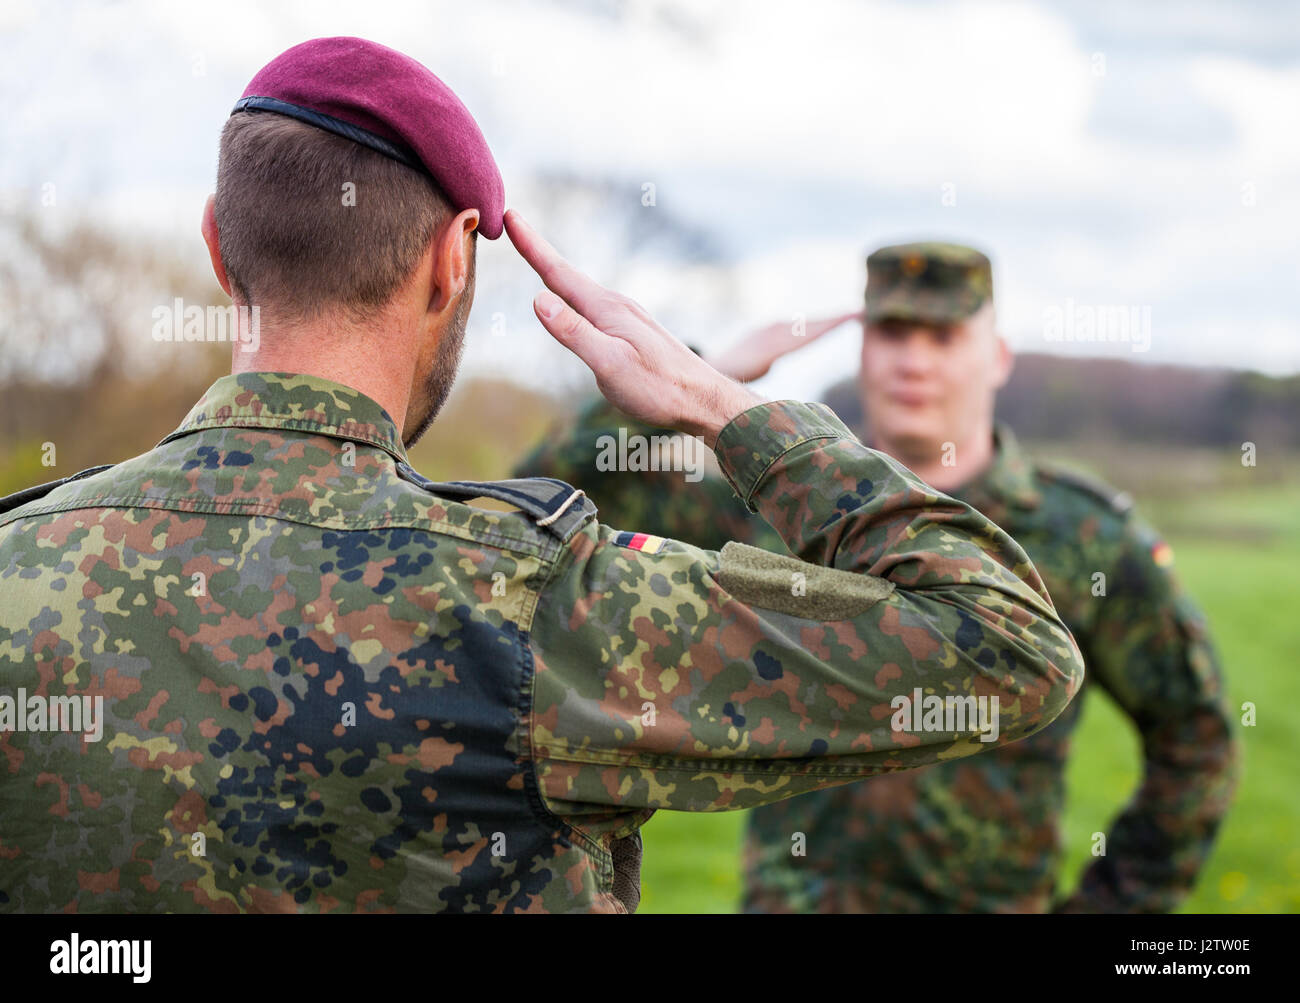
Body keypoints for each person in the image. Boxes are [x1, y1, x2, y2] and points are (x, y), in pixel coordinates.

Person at [0, 40, 1083, 915]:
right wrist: (725, 407)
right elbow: (1005, 645)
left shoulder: (17, 564)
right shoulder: (529, 605)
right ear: (453, 259)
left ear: (216, 246)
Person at [517, 242, 1238, 913]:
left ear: (999, 357)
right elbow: (538, 502)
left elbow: (1196, 735)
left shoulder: (1082, 536)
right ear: (863, 351)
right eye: (892, 332)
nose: (912, 360)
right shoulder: (768, 508)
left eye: (944, 336)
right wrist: (709, 378)